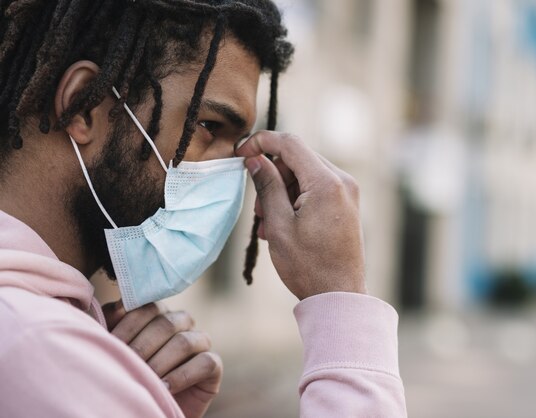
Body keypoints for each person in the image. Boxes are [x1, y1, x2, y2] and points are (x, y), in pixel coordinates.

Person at [0, 1, 407, 417]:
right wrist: (341, 301)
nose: (228, 173)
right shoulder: (42, 347)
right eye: (209, 127)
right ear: (84, 105)